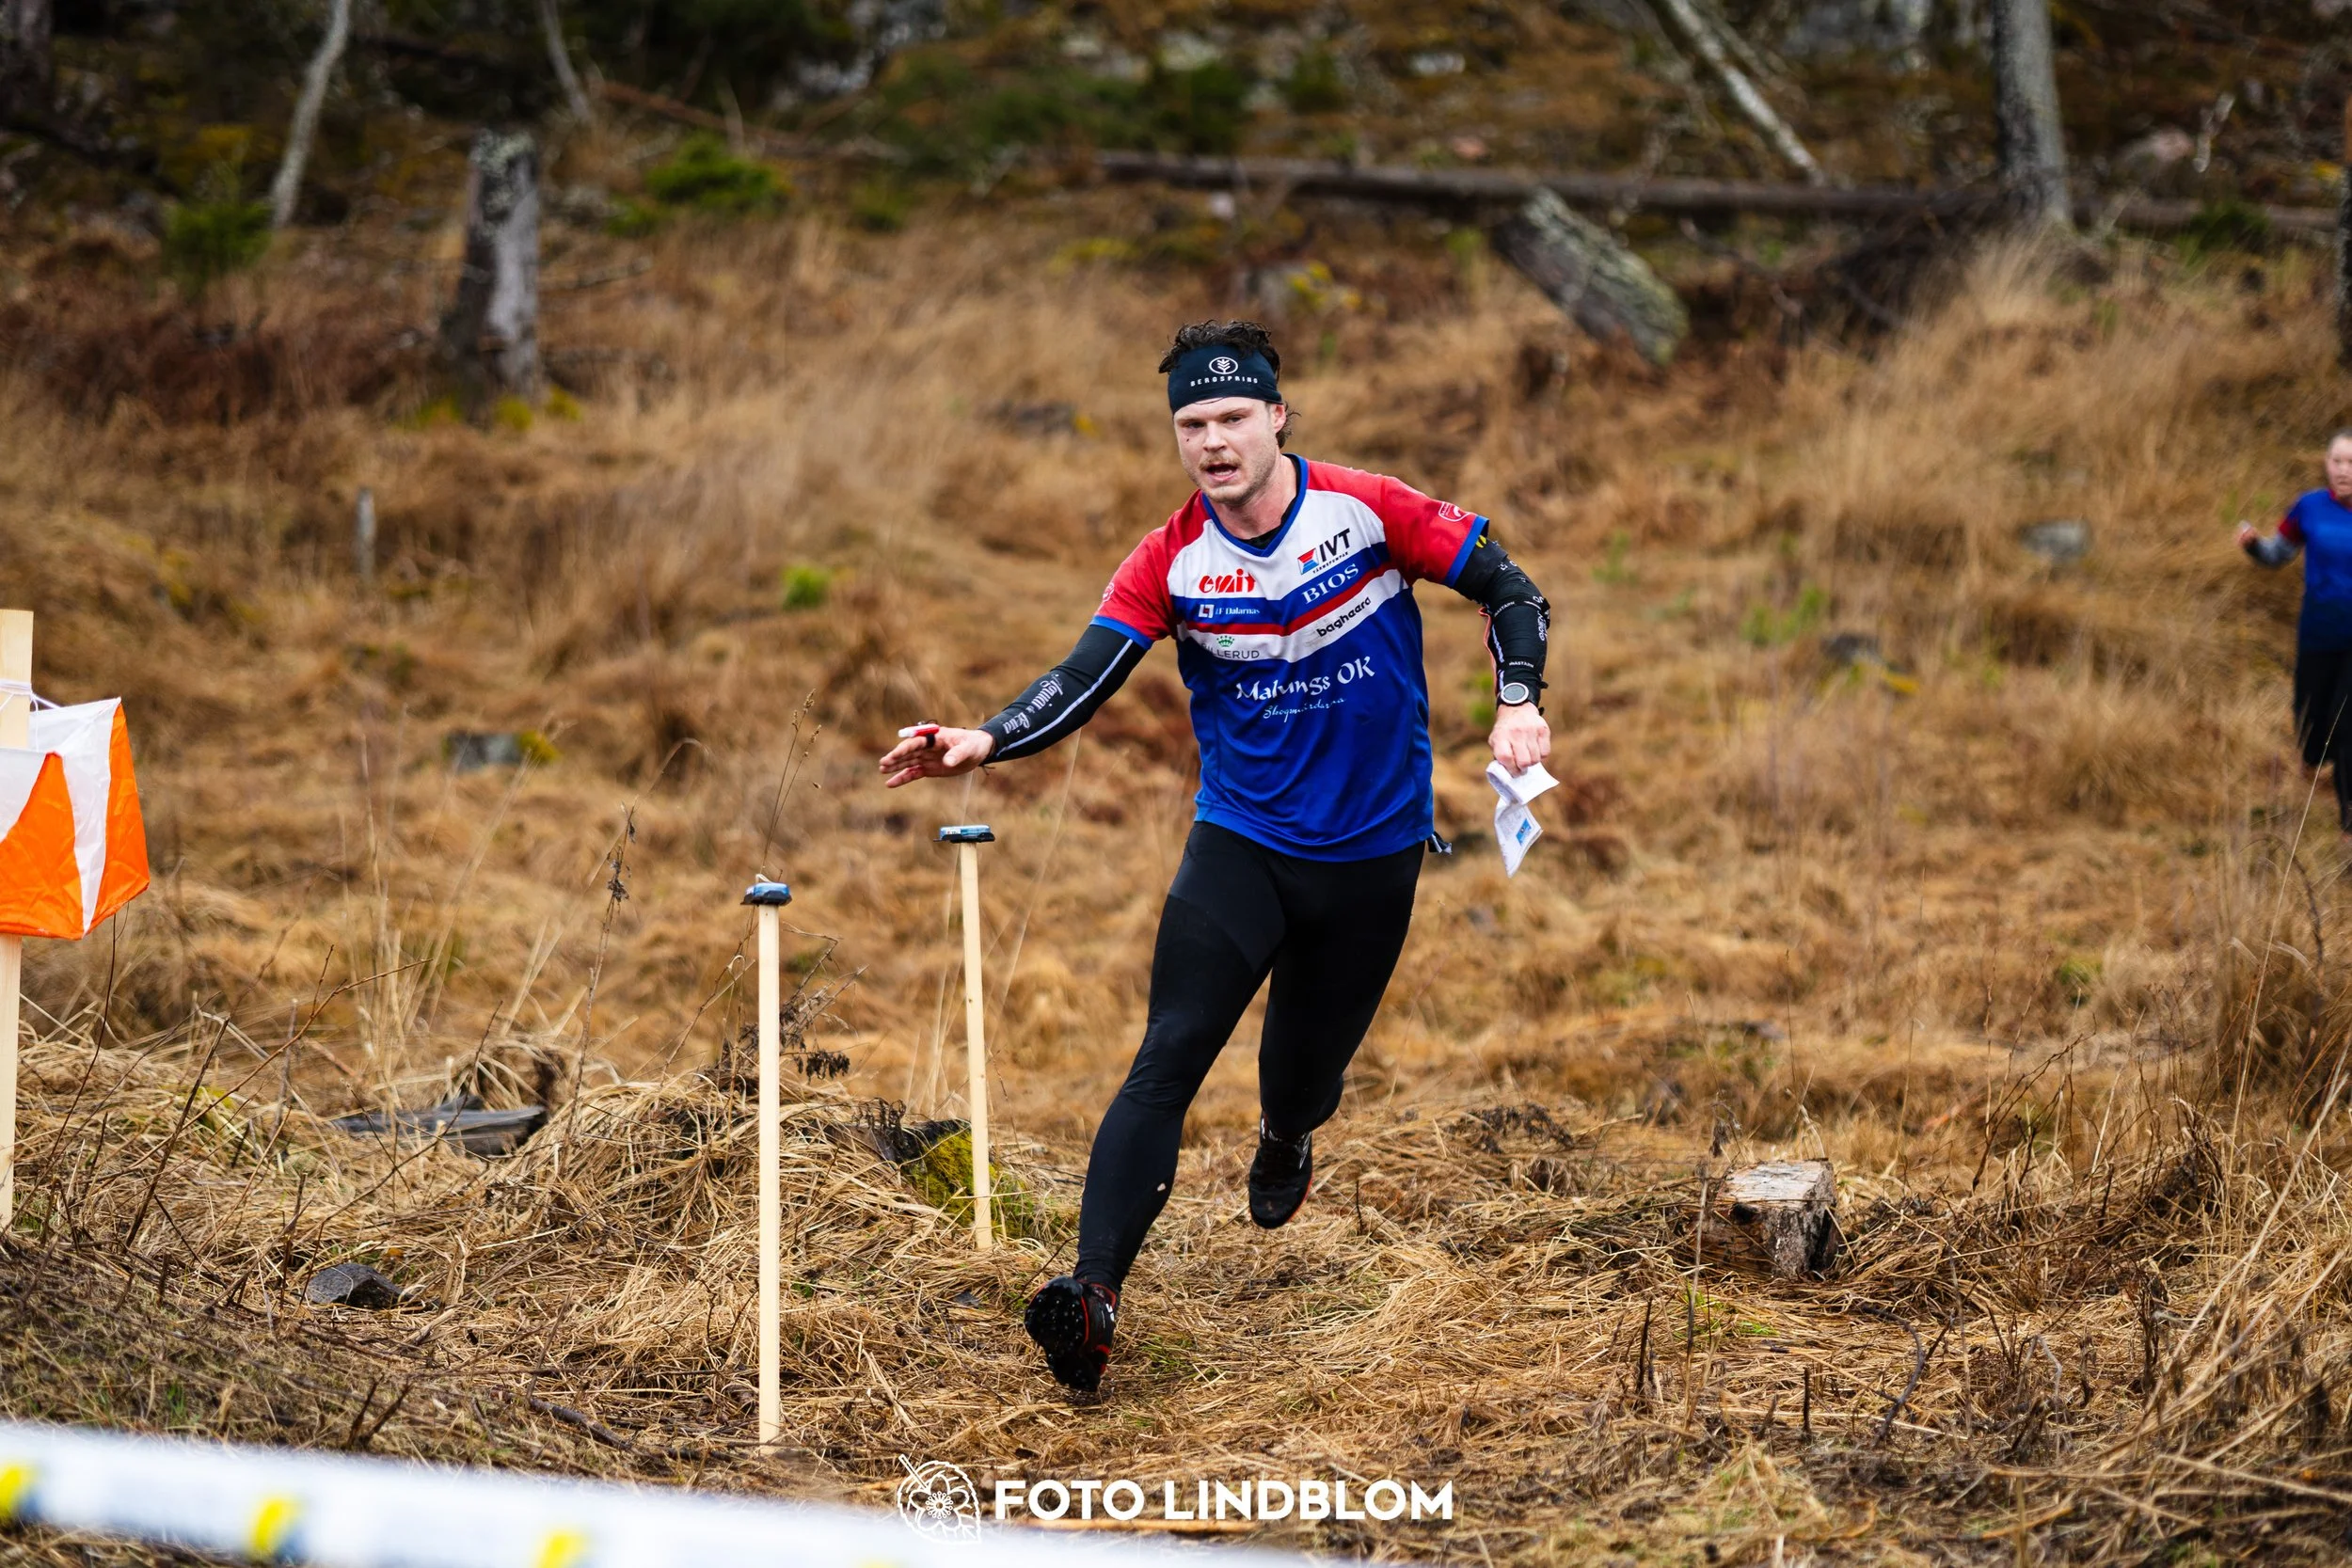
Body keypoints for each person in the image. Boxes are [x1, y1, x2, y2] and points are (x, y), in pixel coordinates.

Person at [876, 321, 1555, 1393]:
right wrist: (987, 737)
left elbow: (1513, 590)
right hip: (1239, 840)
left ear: (1277, 415)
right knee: (1167, 1055)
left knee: (1299, 1073)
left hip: (1372, 854)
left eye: (1234, 417)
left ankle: (1287, 1133)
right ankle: (1092, 1297)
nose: (1213, 440)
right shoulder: (1170, 558)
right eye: (1192, 423)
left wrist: (1517, 704)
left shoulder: (1369, 509)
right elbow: (1087, 671)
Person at [2241, 430, 2352, 832]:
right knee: (2312, 736)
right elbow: (2278, 553)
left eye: (2351, 463)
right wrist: (2255, 546)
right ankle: (2318, 763)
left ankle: (2348, 829)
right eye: (2337, 461)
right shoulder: (2308, 508)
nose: (2343, 471)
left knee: (2347, 732)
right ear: (2326, 464)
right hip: (2318, 636)